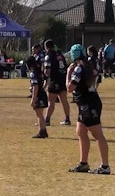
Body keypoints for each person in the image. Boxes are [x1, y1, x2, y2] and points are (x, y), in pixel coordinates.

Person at [66, 44, 110, 175]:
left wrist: (68, 73)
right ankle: (83, 163)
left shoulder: (79, 69)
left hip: (88, 104)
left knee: (98, 135)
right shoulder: (89, 65)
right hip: (87, 103)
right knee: (81, 131)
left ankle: (105, 166)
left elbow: (69, 88)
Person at [43, 39, 71, 126]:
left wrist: (44, 74)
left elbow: (47, 71)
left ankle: (47, 120)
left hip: (54, 80)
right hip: (62, 79)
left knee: (51, 102)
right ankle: (67, 119)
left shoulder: (48, 56)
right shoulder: (60, 55)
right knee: (64, 100)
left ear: (46, 47)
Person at [26, 56, 49, 138]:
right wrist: (44, 87)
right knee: (40, 114)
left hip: (38, 95)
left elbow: (35, 87)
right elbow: (47, 79)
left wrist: (33, 99)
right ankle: (43, 130)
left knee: (39, 115)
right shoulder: (40, 72)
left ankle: (42, 131)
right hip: (43, 93)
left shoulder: (33, 73)